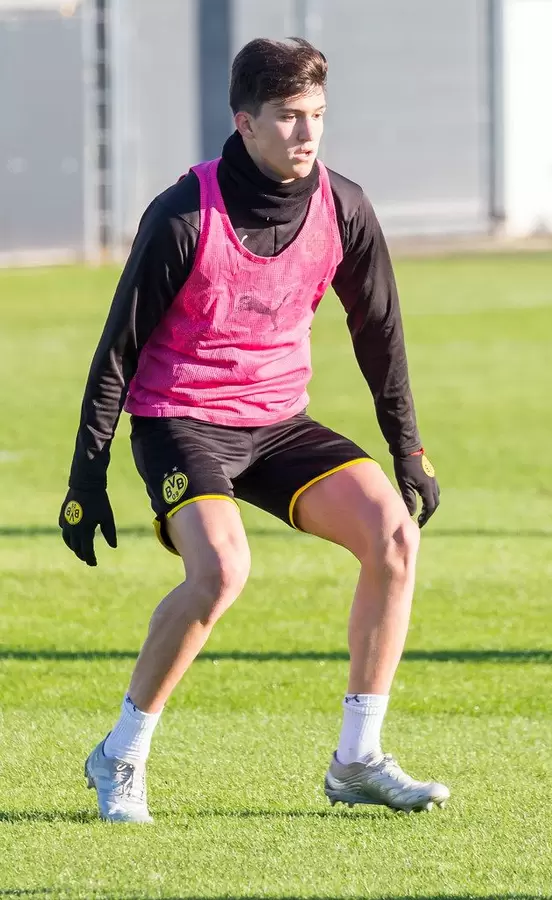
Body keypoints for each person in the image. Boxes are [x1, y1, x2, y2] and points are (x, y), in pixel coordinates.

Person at [60, 37, 448, 823]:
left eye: (318, 117)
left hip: (278, 422)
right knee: (221, 572)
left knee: (395, 538)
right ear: (245, 122)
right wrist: (85, 478)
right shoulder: (180, 214)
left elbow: (380, 335)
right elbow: (118, 353)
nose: (308, 135)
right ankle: (120, 756)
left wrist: (406, 449)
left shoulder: (344, 206)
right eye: (289, 118)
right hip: (182, 419)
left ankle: (358, 759)